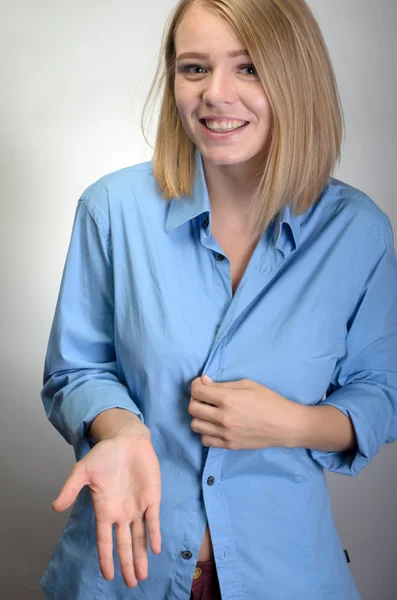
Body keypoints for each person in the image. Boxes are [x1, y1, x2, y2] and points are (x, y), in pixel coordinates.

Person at [39, 0, 397, 598]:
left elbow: (382, 391)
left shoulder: (358, 232)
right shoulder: (110, 210)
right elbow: (75, 370)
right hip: (125, 575)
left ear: (295, 76)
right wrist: (122, 431)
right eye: (195, 68)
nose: (216, 95)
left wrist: (293, 423)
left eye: (249, 67)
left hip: (287, 577)